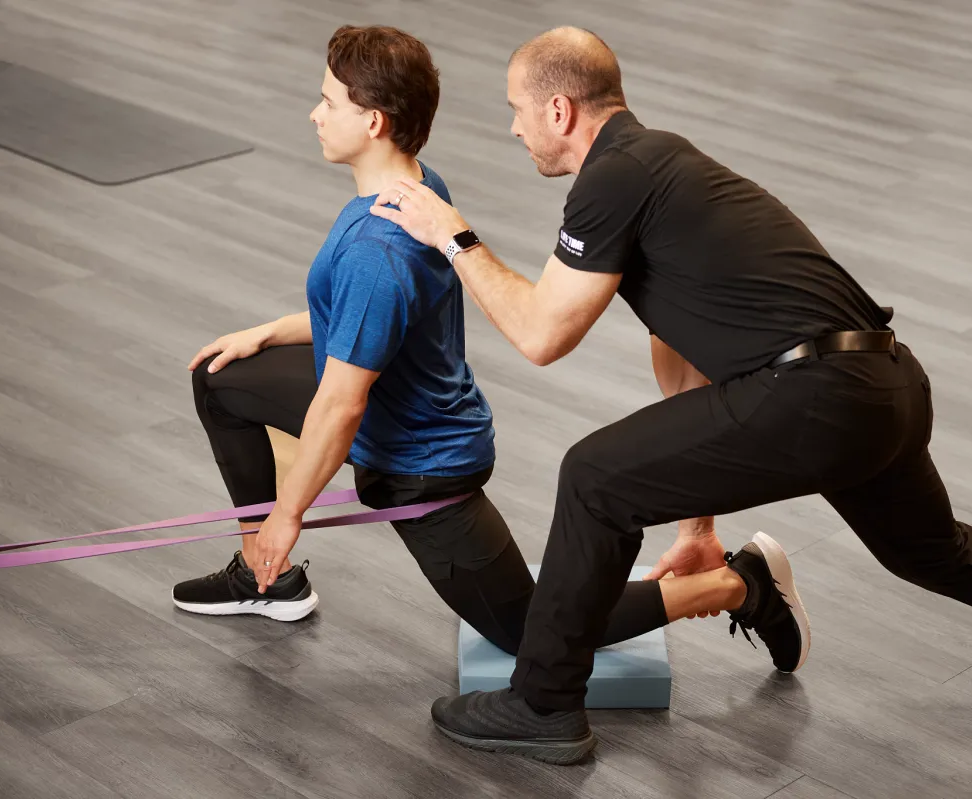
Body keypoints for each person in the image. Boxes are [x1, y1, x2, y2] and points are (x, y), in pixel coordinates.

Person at [373, 26, 972, 765]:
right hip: (886, 383)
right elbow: (680, 348)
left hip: (821, 393)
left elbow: (543, 335)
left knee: (593, 475)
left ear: (559, 109)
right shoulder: (660, 161)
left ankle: (541, 703)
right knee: (936, 552)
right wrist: (698, 524)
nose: (512, 129)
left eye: (517, 110)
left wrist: (454, 235)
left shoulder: (611, 177)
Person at [172, 25, 809, 702]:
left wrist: (287, 515)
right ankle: (263, 577)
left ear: (374, 121)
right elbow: (375, 326)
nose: (314, 112)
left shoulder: (377, 251)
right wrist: (269, 333)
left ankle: (738, 584)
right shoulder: (418, 194)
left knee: (530, 628)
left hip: (422, 464)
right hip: (394, 404)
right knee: (221, 379)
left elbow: (342, 402)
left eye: (328, 100)